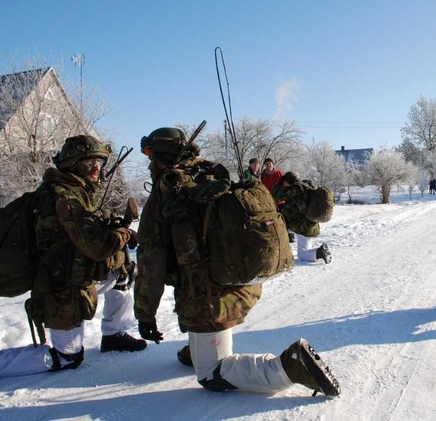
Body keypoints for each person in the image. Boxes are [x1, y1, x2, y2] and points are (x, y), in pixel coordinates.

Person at [134, 127, 340, 397]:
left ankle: (288, 366)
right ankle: (199, 348)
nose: (150, 165)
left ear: (161, 158)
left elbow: (151, 259)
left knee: (210, 374)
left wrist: (145, 313)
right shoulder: (214, 175)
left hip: (207, 298)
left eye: (151, 157)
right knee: (202, 324)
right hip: (243, 285)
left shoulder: (166, 193)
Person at [0, 136, 145, 380]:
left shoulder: (73, 191)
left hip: (78, 280)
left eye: (98, 162)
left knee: (123, 271)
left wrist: (112, 226)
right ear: (71, 165)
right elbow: (97, 247)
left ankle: (114, 334)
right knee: (67, 357)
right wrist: (124, 233)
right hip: (61, 289)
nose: (95, 168)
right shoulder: (66, 198)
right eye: (87, 163)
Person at [272, 172, 332, 264]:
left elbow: (275, 196)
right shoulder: (306, 186)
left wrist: (280, 184)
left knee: (302, 254)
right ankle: (320, 251)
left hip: (301, 226)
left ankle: (320, 252)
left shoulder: (296, 189)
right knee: (305, 249)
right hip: (312, 224)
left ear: (287, 181)